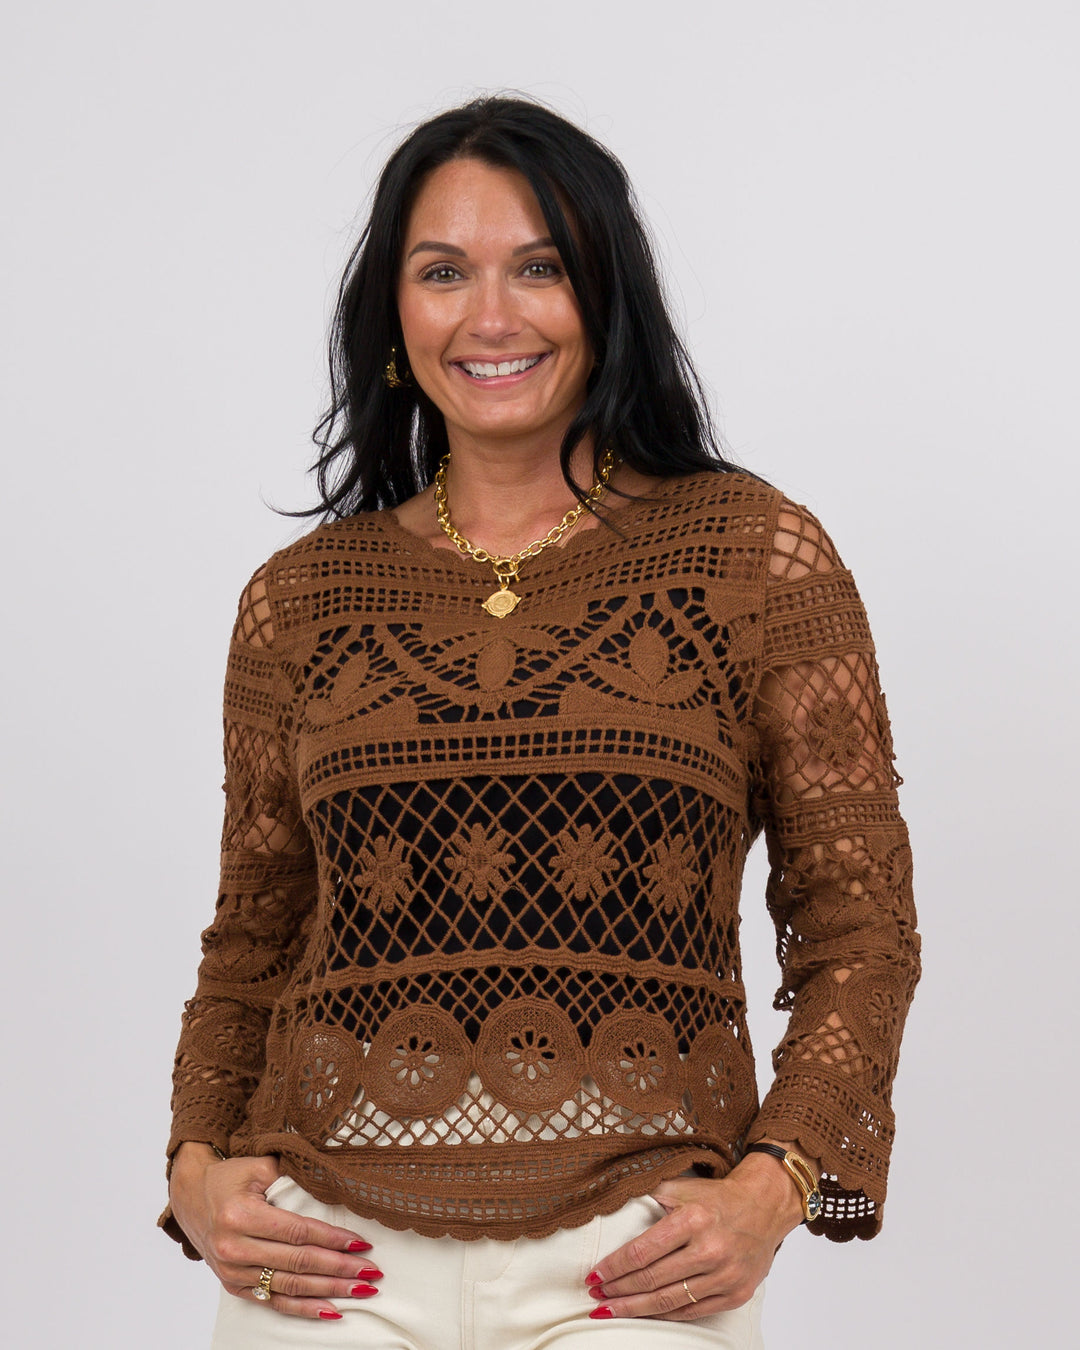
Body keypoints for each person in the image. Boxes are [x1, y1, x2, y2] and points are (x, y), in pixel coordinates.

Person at [162, 96, 920, 1349]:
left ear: (606, 297)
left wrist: (772, 1186)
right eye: (443, 272)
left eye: (540, 267)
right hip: (328, 1253)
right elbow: (252, 936)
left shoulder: (752, 557)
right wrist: (195, 1168)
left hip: (635, 1255)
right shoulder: (300, 601)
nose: (491, 316)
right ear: (394, 313)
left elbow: (862, 929)